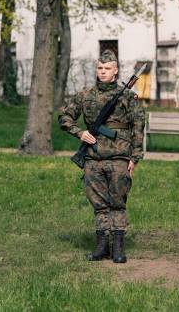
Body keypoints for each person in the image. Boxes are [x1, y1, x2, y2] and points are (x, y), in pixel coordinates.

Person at [58, 50, 145, 263]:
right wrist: (81, 133)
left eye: (107, 69)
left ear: (115, 71)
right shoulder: (85, 95)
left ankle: (118, 248)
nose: (103, 72)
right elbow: (64, 117)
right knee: (99, 204)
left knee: (118, 203)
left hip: (119, 157)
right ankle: (101, 246)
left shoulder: (127, 96)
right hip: (93, 159)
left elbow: (138, 125)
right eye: (100, 68)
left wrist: (135, 157)